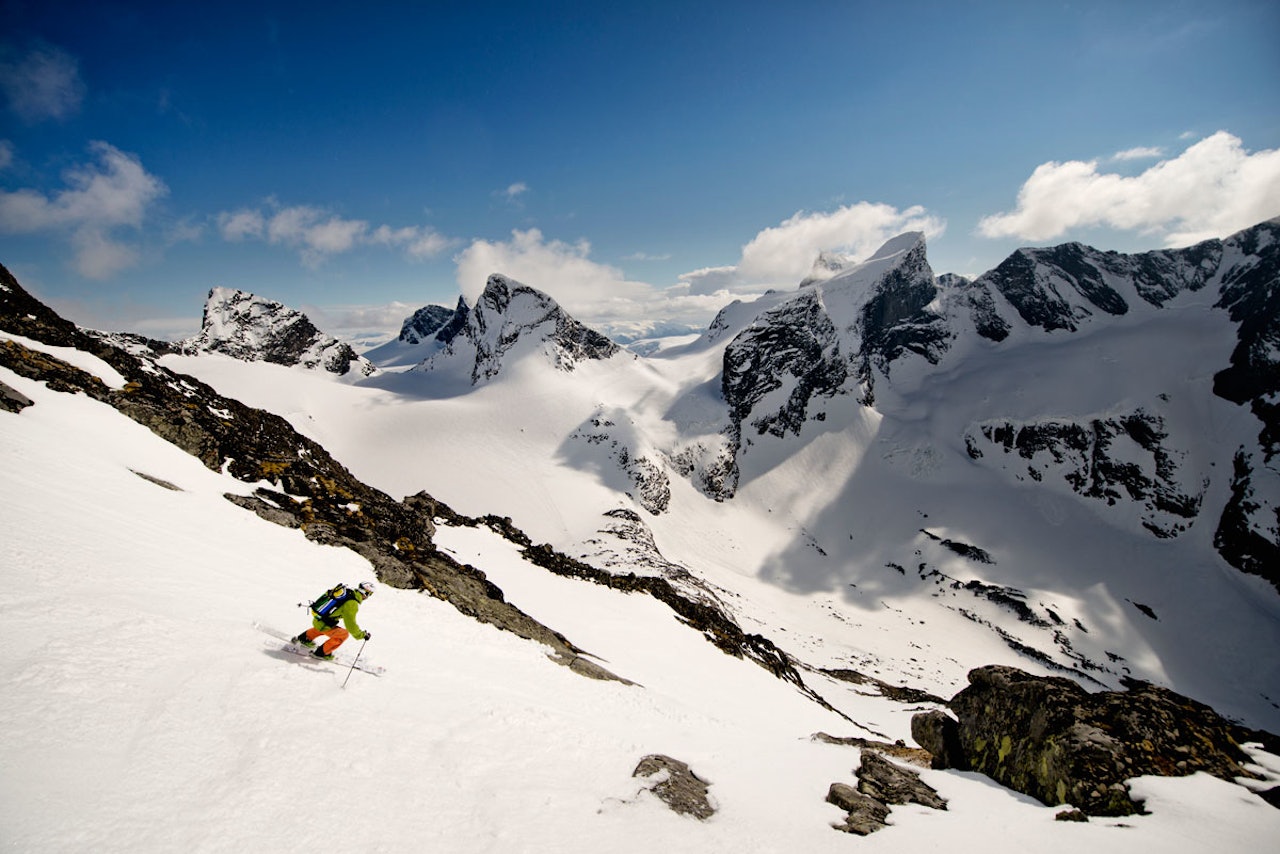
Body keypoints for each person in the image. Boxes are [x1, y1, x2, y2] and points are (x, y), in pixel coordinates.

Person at [294, 581, 375, 660]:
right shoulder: (352, 603)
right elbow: (351, 625)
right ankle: (322, 653)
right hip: (324, 623)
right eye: (370, 594)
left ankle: (304, 638)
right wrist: (361, 635)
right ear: (365, 593)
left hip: (319, 618)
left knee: (328, 626)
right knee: (343, 634)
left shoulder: (348, 592)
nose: (368, 596)